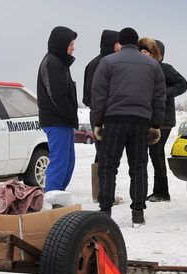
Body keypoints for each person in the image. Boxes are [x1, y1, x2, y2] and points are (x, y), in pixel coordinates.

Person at [90, 27, 166, 225]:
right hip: (141, 122)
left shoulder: (107, 62)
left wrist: (98, 122)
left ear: (120, 43)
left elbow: (98, 96)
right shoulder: (152, 65)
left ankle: (105, 211)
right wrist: (156, 125)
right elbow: (159, 98)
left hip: (114, 120)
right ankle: (138, 213)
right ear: (136, 43)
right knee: (139, 167)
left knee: (108, 166)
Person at [138, 38, 187, 202]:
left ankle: (162, 192)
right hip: (149, 118)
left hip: (164, 118)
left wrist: (164, 93)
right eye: (142, 51)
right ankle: (157, 191)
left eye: (147, 52)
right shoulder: (143, 69)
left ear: (157, 54)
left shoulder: (165, 69)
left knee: (156, 152)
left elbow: (182, 84)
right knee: (151, 153)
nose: (143, 55)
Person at [37, 26, 78, 192]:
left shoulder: (60, 62)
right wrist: (70, 115)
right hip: (56, 121)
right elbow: (57, 96)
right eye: (71, 44)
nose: (73, 47)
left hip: (64, 121)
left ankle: (58, 195)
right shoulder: (52, 63)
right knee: (60, 162)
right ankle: (52, 199)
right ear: (61, 44)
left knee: (68, 162)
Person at [82, 29, 120, 202]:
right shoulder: (97, 65)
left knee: (104, 154)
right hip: (101, 116)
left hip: (107, 115)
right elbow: (88, 97)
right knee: (105, 155)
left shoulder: (112, 62)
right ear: (113, 43)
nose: (121, 46)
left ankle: (102, 193)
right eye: (118, 43)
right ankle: (103, 194)